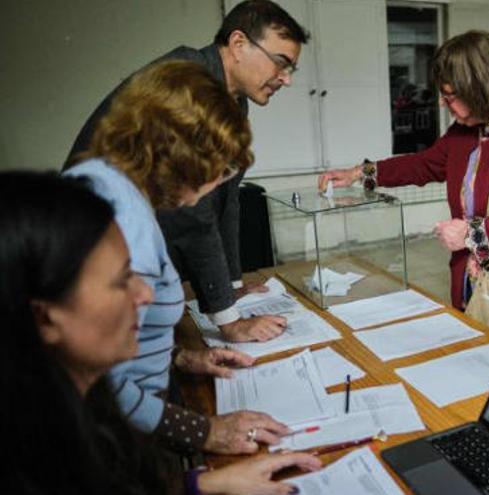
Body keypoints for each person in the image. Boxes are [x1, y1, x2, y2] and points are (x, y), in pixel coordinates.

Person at [0, 171, 322, 494]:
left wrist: (201, 483)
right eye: (121, 280)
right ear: (44, 318)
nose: (146, 294)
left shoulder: (81, 408)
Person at [65, 60, 291, 455]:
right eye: (219, 169)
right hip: (114, 442)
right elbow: (99, 382)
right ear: (185, 156)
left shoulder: (112, 185)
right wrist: (205, 431)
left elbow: (120, 339)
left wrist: (182, 357)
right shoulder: (120, 222)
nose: (218, 183)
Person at [64, 0, 308, 344]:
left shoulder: (233, 99)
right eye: (281, 63)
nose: (285, 79)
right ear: (238, 45)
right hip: (95, 248)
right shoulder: (187, 82)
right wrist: (229, 320)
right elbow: (193, 212)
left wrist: (232, 288)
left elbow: (227, 199)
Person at [318, 30, 489, 334]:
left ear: (480, 89)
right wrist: (360, 173)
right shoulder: (466, 131)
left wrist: (470, 234)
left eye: (450, 96)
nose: (443, 104)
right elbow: (422, 165)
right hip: (474, 285)